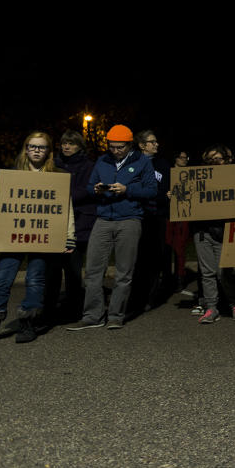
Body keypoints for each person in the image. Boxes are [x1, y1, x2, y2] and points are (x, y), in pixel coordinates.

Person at [0, 132, 75, 343]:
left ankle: (28, 321)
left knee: (35, 280)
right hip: (14, 235)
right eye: (32, 146)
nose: (36, 150)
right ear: (26, 148)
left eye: (41, 147)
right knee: (2, 281)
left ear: (48, 152)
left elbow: (65, 208)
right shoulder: (14, 175)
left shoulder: (56, 176)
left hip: (42, 237)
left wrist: (68, 236)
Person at [68, 125, 157, 331]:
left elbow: (151, 190)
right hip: (103, 219)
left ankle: (116, 315)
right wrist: (97, 189)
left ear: (129, 145)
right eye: (111, 146)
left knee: (123, 272)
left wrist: (128, 190)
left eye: (119, 147)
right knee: (92, 270)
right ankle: (92, 315)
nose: (115, 150)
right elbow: (90, 187)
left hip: (129, 219)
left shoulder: (141, 162)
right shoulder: (102, 160)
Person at [175, 145, 235, 324]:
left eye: (218, 158)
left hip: (224, 231)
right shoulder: (198, 177)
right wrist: (176, 195)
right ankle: (211, 308)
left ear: (226, 160)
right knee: (207, 273)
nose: (214, 162)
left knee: (224, 273)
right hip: (203, 232)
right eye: (210, 160)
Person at [44, 130, 96, 325]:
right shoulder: (53, 164)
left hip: (78, 223)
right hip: (54, 223)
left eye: (71, 144)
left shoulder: (88, 166)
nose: (66, 146)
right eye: (64, 143)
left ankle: (73, 308)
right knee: (52, 269)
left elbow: (87, 190)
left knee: (73, 269)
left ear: (79, 146)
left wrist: (60, 196)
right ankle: (49, 308)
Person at [131, 129, 171, 313]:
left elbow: (166, 191)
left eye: (156, 141)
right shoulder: (132, 163)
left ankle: (150, 297)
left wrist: (165, 195)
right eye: (152, 142)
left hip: (157, 217)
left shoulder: (162, 164)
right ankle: (134, 297)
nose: (156, 144)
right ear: (141, 145)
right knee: (137, 259)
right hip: (138, 216)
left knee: (155, 258)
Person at [165, 150, 192, 295]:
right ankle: (168, 278)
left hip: (184, 215)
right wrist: (167, 194)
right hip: (170, 214)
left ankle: (180, 278)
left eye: (186, 157)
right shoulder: (168, 173)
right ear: (175, 159)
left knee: (180, 247)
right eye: (182, 157)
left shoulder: (191, 175)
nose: (185, 160)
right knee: (168, 245)